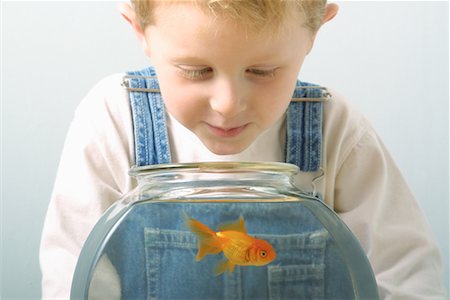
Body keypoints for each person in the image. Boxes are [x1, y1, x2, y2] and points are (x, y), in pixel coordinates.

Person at [40, 0, 446, 299]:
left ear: (314, 33)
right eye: (196, 70)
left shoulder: (335, 127)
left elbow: (406, 276)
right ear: (140, 31)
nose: (227, 103)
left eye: (262, 71)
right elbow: (71, 272)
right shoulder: (114, 117)